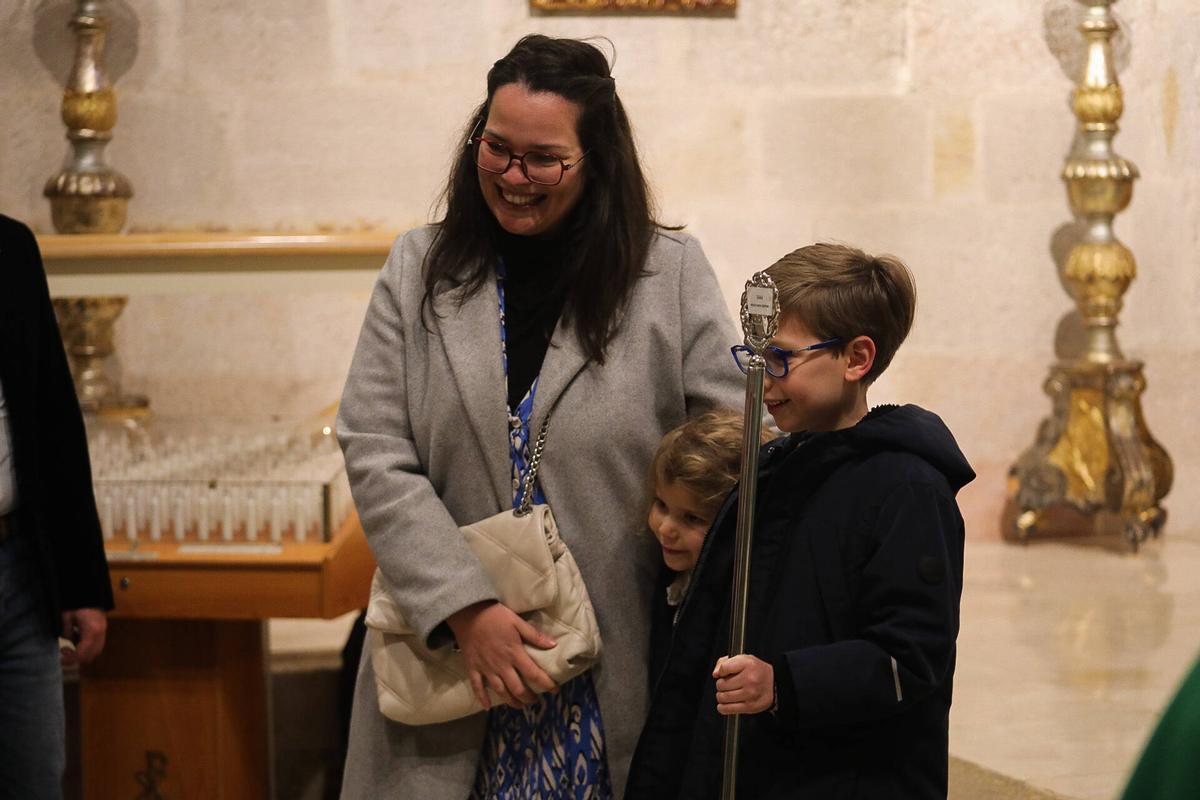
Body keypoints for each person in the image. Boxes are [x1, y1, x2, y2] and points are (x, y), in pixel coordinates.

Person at [336, 35, 742, 799]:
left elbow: (731, 443)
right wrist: (465, 606)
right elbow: (374, 444)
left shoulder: (668, 274)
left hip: (610, 664)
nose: (514, 177)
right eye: (496, 148)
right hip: (450, 662)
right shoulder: (417, 269)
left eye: (544, 159)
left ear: (597, 163)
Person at [626, 243, 976, 799]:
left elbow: (911, 657)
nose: (762, 380)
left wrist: (783, 681)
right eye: (755, 356)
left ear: (857, 359)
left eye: (782, 360)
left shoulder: (908, 488)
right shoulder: (774, 466)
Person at [0, 214, 113, 800]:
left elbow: (52, 419)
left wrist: (82, 582)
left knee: (37, 777)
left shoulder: (10, 246)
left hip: (17, 565)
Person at [644, 410, 767, 680]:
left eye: (692, 518)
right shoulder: (672, 580)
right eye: (661, 505)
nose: (665, 528)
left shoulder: (740, 606)